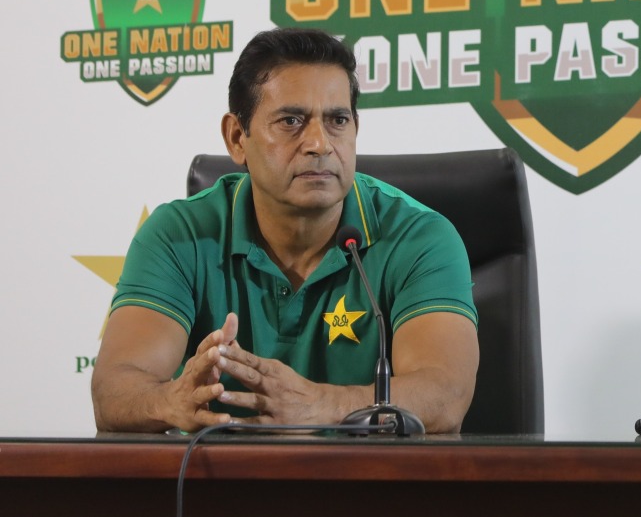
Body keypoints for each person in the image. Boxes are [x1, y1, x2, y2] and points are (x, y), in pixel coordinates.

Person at [92, 28, 479, 433]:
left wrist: (321, 405)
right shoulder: (179, 235)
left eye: (337, 120)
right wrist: (170, 402)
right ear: (237, 138)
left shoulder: (420, 237)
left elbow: (445, 395)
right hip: (219, 489)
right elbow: (114, 392)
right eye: (292, 121)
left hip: (373, 490)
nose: (319, 144)